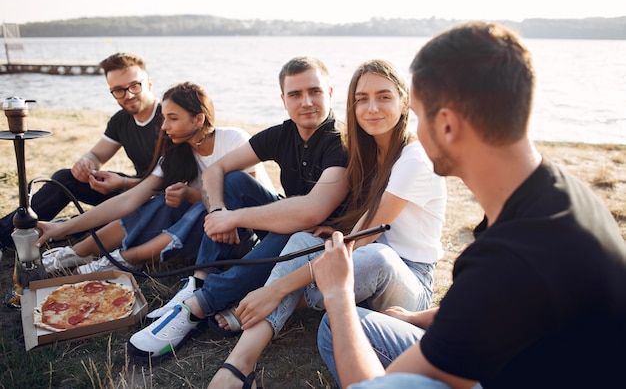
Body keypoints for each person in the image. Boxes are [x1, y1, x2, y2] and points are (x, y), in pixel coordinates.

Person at [314, 21, 626, 389]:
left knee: (338, 323)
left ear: (446, 126)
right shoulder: (556, 193)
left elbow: (373, 387)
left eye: (419, 115)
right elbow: (504, 306)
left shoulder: (508, 260)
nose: (416, 132)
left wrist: (337, 296)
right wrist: (421, 319)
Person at [207, 59, 447, 388]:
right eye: (361, 99)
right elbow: (357, 225)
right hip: (366, 264)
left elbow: (363, 238)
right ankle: (238, 364)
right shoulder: (367, 154)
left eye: (384, 97)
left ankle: (271, 299)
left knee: (376, 258)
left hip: (408, 282)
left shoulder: (414, 160)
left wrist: (275, 289)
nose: (372, 108)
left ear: (404, 101)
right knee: (305, 239)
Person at [126, 56, 349, 360]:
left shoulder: (340, 141)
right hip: (293, 220)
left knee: (295, 227)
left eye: (315, 91)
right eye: (295, 94)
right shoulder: (283, 133)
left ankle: (197, 307)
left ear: (330, 93)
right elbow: (215, 171)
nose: (306, 102)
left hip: (328, 236)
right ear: (283, 100)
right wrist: (218, 212)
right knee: (233, 181)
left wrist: (234, 217)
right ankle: (199, 281)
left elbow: (311, 213)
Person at [35, 81, 273, 274]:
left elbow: (243, 197)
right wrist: (63, 228)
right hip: (210, 229)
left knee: (200, 208)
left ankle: (126, 259)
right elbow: (127, 201)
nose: (164, 126)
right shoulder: (177, 152)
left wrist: (193, 195)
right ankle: (79, 251)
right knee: (159, 202)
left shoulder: (233, 140)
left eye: (173, 118)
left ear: (198, 119)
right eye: (163, 118)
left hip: (244, 232)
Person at [0, 52, 162, 251]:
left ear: (150, 83)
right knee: (64, 178)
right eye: (118, 90)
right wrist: (87, 163)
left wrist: (123, 183)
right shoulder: (121, 120)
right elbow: (97, 155)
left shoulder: (169, 118)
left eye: (135, 86)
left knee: (112, 219)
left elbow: (176, 183)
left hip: (159, 200)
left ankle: (65, 228)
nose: (128, 95)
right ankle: (7, 234)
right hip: (132, 191)